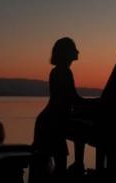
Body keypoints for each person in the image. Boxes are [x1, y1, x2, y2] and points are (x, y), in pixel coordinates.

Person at [33, 38, 89, 175]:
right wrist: (95, 103)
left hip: (50, 120)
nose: (77, 52)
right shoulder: (63, 72)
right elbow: (73, 98)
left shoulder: (59, 71)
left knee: (52, 164)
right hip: (52, 123)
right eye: (73, 49)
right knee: (57, 164)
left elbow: (70, 99)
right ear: (66, 53)